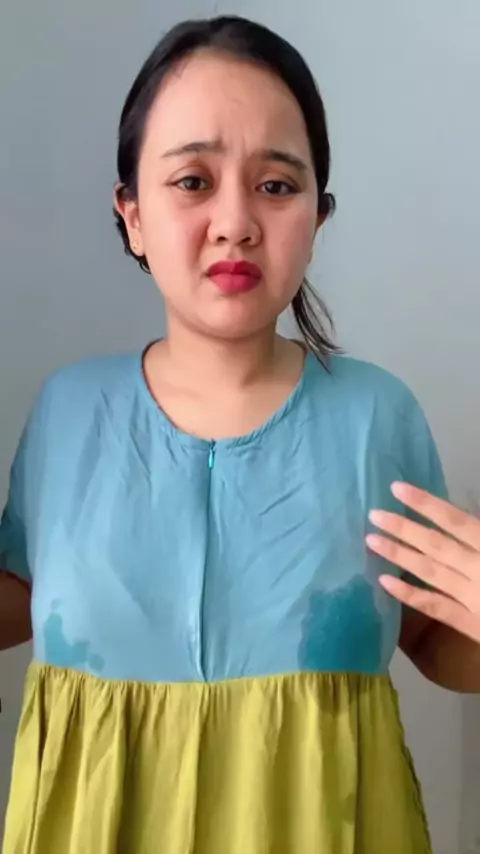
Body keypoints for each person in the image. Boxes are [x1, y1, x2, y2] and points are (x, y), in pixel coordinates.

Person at [0, 14, 479, 854]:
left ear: (318, 218)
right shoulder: (68, 411)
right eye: (192, 180)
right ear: (131, 213)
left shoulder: (377, 415)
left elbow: (435, 639)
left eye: (277, 186)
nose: (235, 222)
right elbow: (22, 600)